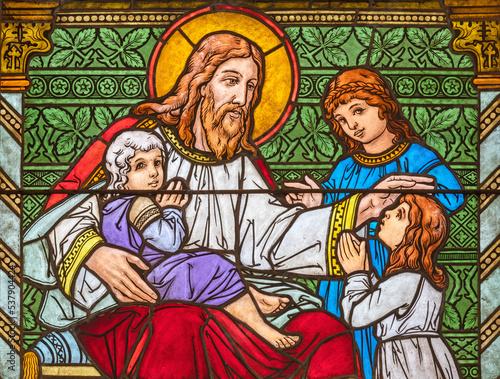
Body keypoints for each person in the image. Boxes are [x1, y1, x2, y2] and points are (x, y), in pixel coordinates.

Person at [27, 33, 435, 378]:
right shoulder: (142, 146)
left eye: (252, 86)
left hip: (232, 296)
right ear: (201, 83)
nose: (243, 98)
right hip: (146, 300)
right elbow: (73, 208)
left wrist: (362, 207)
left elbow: (275, 237)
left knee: (324, 330)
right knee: (182, 325)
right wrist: (94, 253)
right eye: (231, 81)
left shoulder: (242, 165)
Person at [284, 67, 464, 378]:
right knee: (346, 347)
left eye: (359, 111)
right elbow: (333, 213)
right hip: (343, 271)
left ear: (383, 106)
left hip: (393, 266)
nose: (352, 124)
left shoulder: (416, 157)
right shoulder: (345, 167)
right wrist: (317, 203)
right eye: (342, 120)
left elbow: (453, 197)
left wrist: (408, 190)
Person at [101, 129, 298, 348]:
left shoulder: (111, 208)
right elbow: (170, 242)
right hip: (152, 285)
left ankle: (256, 297)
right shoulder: (139, 203)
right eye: (140, 165)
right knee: (212, 265)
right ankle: (263, 329)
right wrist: (173, 209)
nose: (154, 173)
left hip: (148, 278)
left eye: (157, 163)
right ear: (121, 175)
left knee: (203, 256)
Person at [337, 194, 462, 379]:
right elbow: (383, 301)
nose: (387, 213)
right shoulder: (415, 278)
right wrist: (366, 272)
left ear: (414, 233)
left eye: (400, 214)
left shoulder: (407, 281)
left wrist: (356, 274)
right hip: (418, 355)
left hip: (408, 361)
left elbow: (357, 315)